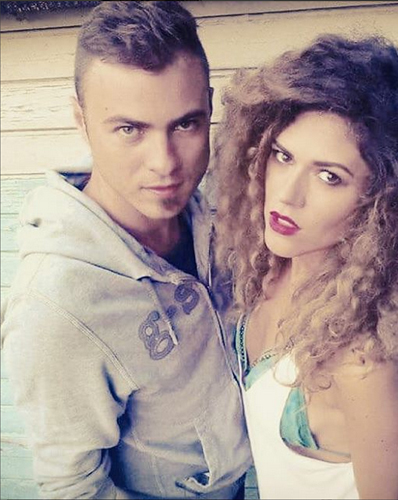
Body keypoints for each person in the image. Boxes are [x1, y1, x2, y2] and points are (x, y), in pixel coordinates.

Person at [1, 2, 251, 499]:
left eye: (185, 124)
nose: (164, 164)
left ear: (208, 108)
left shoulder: (213, 215)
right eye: (129, 129)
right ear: (81, 120)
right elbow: (74, 488)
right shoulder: (57, 305)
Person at [213, 34, 398, 500]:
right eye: (283, 156)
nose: (287, 195)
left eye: (330, 176)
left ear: (382, 203)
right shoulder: (269, 268)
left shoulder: (364, 361)